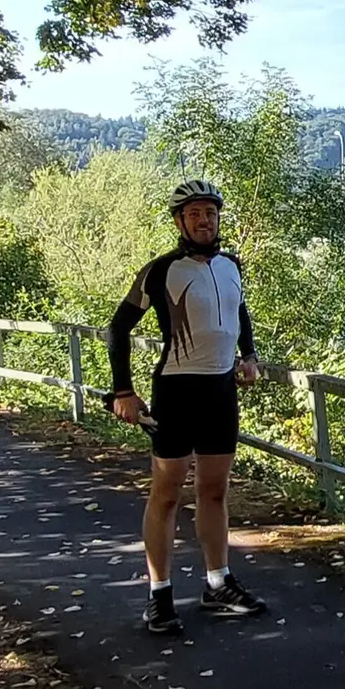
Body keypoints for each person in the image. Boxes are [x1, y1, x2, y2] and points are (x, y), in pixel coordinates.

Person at [108, 179, 267, 633]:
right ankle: (159, 595)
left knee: (215, 490)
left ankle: (218, 583)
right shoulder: (161, 270)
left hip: (220, 391)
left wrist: (249, 356)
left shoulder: (232, 265)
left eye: (210, 213)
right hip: (176, 391)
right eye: (194, 213)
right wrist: (123, 391)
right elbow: (118, 328)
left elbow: (239, 313)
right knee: (168, 491)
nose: (204, 220)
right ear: (180, 221)